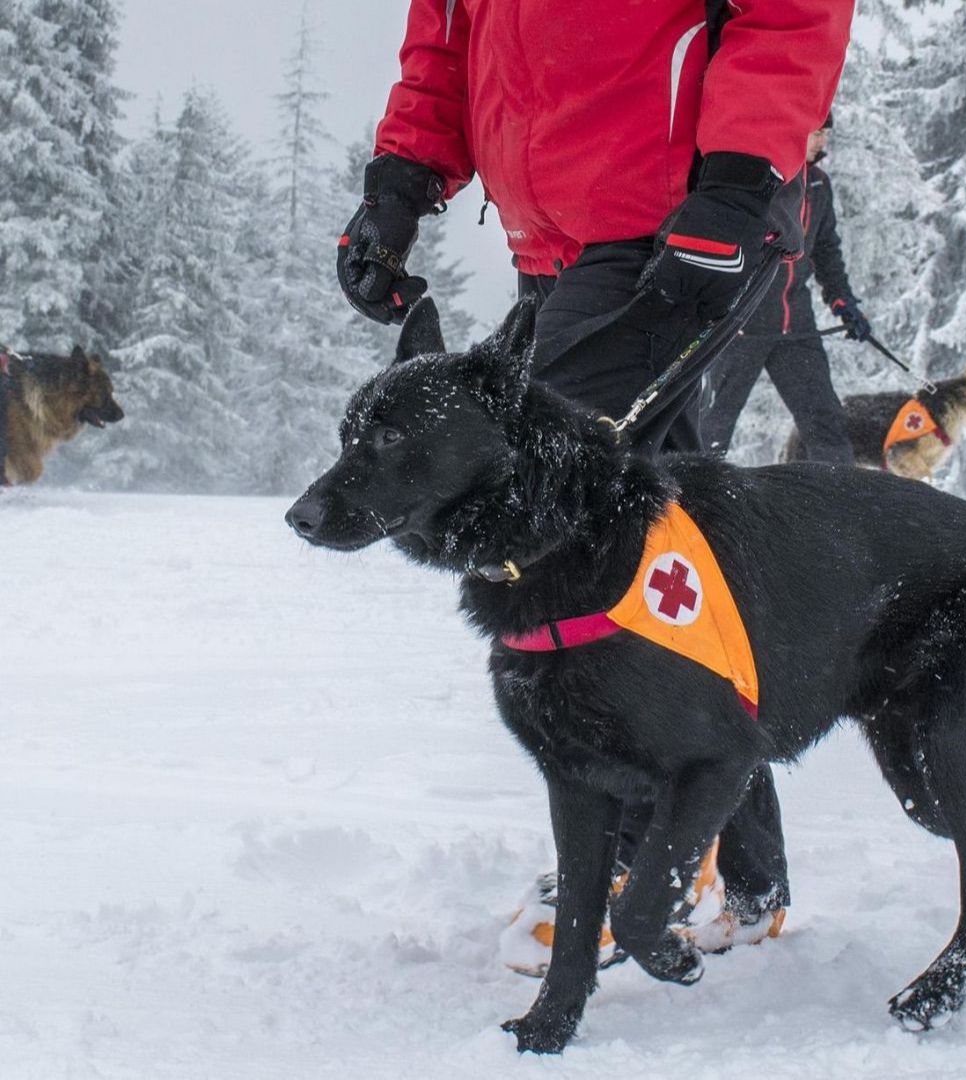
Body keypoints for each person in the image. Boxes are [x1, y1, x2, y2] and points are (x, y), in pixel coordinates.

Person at [337, 0, 858, 957]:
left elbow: (789, 17)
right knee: (658, 532)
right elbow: (447, 40)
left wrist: (738, 179)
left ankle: (634, 854)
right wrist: (397, 191)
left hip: (679, 227)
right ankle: (743, 872)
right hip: (555, 247)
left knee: (555, 527)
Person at [701, 117, 865, 463]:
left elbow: (826, 251)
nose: (822, 141)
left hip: (796, 328)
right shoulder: (761, 181)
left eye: (826, 134)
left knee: (826, 421)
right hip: (742, 328)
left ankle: (838, 501)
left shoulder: (820, 185)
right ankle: (694, 501)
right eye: (816, 133)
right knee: (712, 428)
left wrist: (843, 303)